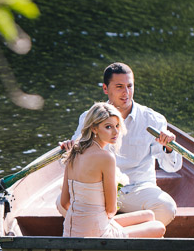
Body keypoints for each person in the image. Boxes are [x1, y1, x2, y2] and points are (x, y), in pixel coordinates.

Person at [62, 62, 182, 226]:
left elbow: (171, 168)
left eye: (129, 86)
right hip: (99, 190)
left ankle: (104, 228)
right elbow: (72, 162)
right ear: (105, 88)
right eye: (119, 87)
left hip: (137, 189)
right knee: (61, 203)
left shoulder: (154, 120)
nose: (126, 93)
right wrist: (70, 150)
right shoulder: (88, 118)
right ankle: (121, 229)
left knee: (166, 208)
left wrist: (169, 147)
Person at [59, 102, 165, 238]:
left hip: (71, 229)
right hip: (97, 233)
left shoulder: (73, 152)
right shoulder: (106, 157)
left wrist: (86, 217)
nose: (115, 132)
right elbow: (111, 210)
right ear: (94, 128)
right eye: (108, 127)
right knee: (158, 227)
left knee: (149, 215)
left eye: (117, 126)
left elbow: (64, 203)